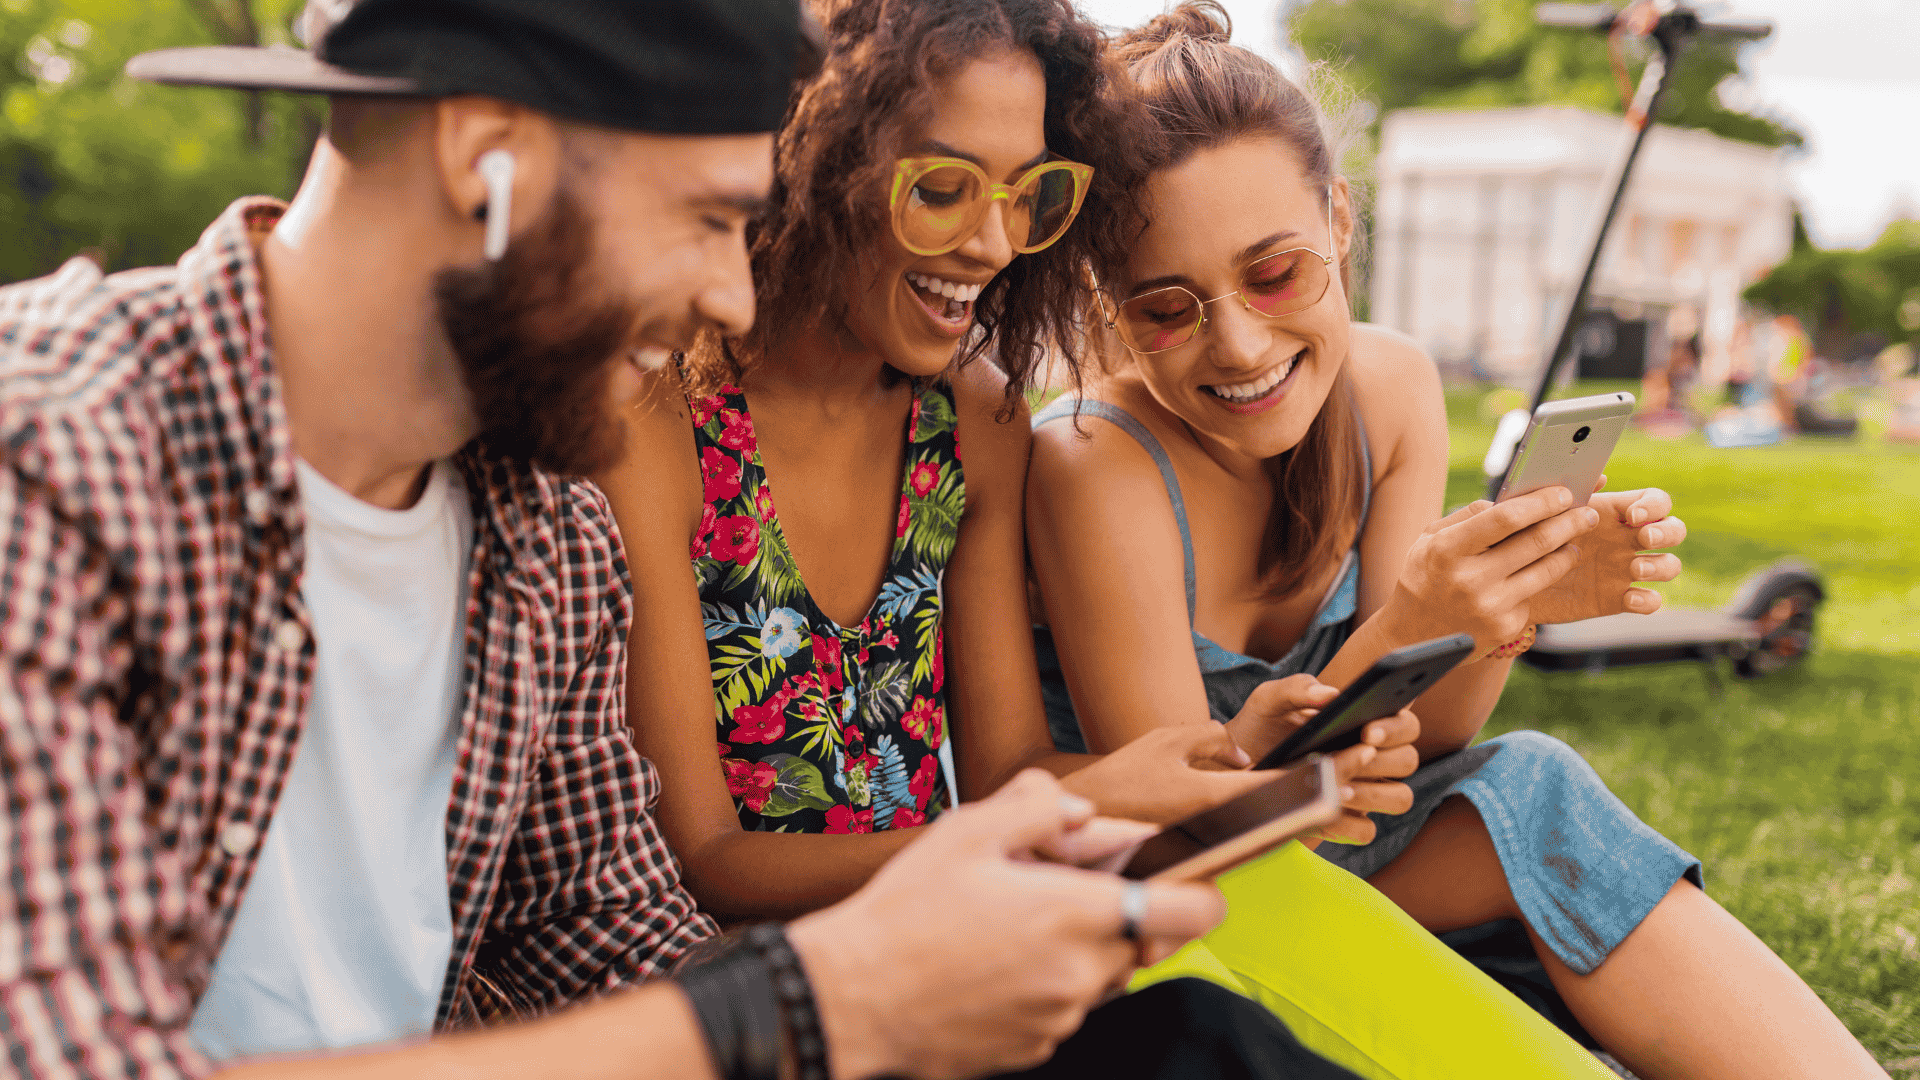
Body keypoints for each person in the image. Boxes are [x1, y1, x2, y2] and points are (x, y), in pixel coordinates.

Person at [0, 3, 1350, 1079]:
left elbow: (614, 937)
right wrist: (825, 999)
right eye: (709, 219)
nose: (730, 285)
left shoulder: (542, 539)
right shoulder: (55, 463)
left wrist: (944, 952)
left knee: (1188, 1050)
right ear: (488, 156)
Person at [596, 1, 1636, 1076]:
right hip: (766, 977)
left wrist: (1233, 757)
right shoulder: (660, 424)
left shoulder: (974, 422)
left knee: (1256, 962)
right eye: (942, 189)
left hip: (979, 913)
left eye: (1027, 194)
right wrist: (1072, 808)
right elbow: (709, 860)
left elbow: (1006, 775)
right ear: (814, 162)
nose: (995, 242)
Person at [1024, 8, 1890, 1080]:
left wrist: (1497, 616)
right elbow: (1194, 824)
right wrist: (1408, 621)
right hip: (1205, 879)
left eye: (1276, 273)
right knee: (1517, 796)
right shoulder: (1091, 462)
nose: (1239, 342)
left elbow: (1425, 741)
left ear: (1340, 221)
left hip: (1351, 842)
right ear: (1110, 309)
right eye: (1167, 307)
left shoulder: (1390, 390)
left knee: (1529, 776)